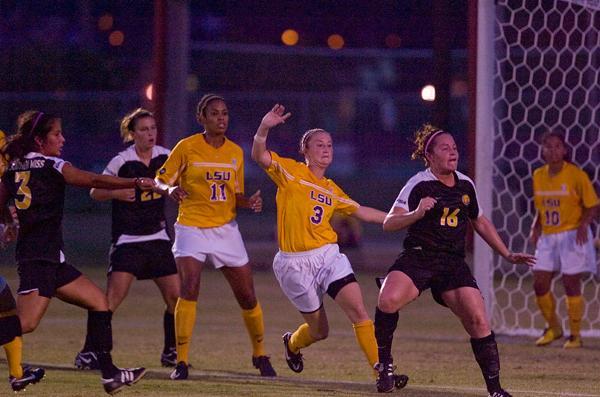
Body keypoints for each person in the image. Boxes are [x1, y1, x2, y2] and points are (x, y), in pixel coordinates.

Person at [251, 104, 407, 390]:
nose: (326, 149)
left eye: (330, 145)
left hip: (327, 256)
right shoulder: (290, 172)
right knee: (320, 330)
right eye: (319, 144)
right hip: (293, 263)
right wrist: (264, 127)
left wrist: (406, 218)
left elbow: (362, 212)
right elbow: (259, 155)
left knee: (359, 310)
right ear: (305, 151)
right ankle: (292, 343)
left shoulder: (332, 189)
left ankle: (381, 372)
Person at [373, 124, 535, 396]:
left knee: (479, 320)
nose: (453, 153)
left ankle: (495, 389)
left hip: (452, 263)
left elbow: (479, 221)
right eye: (445, 148)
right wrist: (415, 213)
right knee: (387, 300)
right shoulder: (419, 183)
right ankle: (385, 364)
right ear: (430, 155)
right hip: (420, 256)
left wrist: (506, 253)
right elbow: (389, 223)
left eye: (455, 148)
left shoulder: (465, 184)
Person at [0, 111, 153, 395]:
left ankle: (110, 374)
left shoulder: (13, 168)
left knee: (100, 303)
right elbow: (93, 180)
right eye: (56, 134)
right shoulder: (52, 165)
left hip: (50, 259)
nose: (62, 138)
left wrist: (8, 222)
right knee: (25, 323)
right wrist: (134, 181)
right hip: (39, 259)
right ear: (39, 140)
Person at [155, 94, 276, 380]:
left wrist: (250, 202)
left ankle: (260, 355)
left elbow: (234, 196)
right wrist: (170, 190)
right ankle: (181, 361)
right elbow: (160, 179)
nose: (221, 118)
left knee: (247, 295)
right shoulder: (186, 147)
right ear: (202, 118)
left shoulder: (235, 152)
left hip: (225, 229)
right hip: (192, 227)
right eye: (214, 114)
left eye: (224, 113)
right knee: (191, 285)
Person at [74, 108, 180, 370]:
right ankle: (90, 351)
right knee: (111, 300)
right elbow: (95, 192)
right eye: (144, 129)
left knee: (176, 297)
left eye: (153, 128)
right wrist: (118, 192)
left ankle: (171, 350)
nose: (150, 134)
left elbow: (182, 179)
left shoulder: (166, 157)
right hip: (128, 240)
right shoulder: (122, 160)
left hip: (157, 238)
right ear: (132, 134)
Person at [528, 131, 599, 348]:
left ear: (565, 150)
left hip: (572, 234)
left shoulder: (576, 175)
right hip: (548, 237)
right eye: (548, 146)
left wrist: (584, 225)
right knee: (539, 283)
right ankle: (554, 328)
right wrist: (535, 227)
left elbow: (593, 205)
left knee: (570, 284)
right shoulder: (538, 175)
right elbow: (542, 207)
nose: (552, 150)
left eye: (557, 146)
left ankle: (575, 336)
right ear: (542, 150)